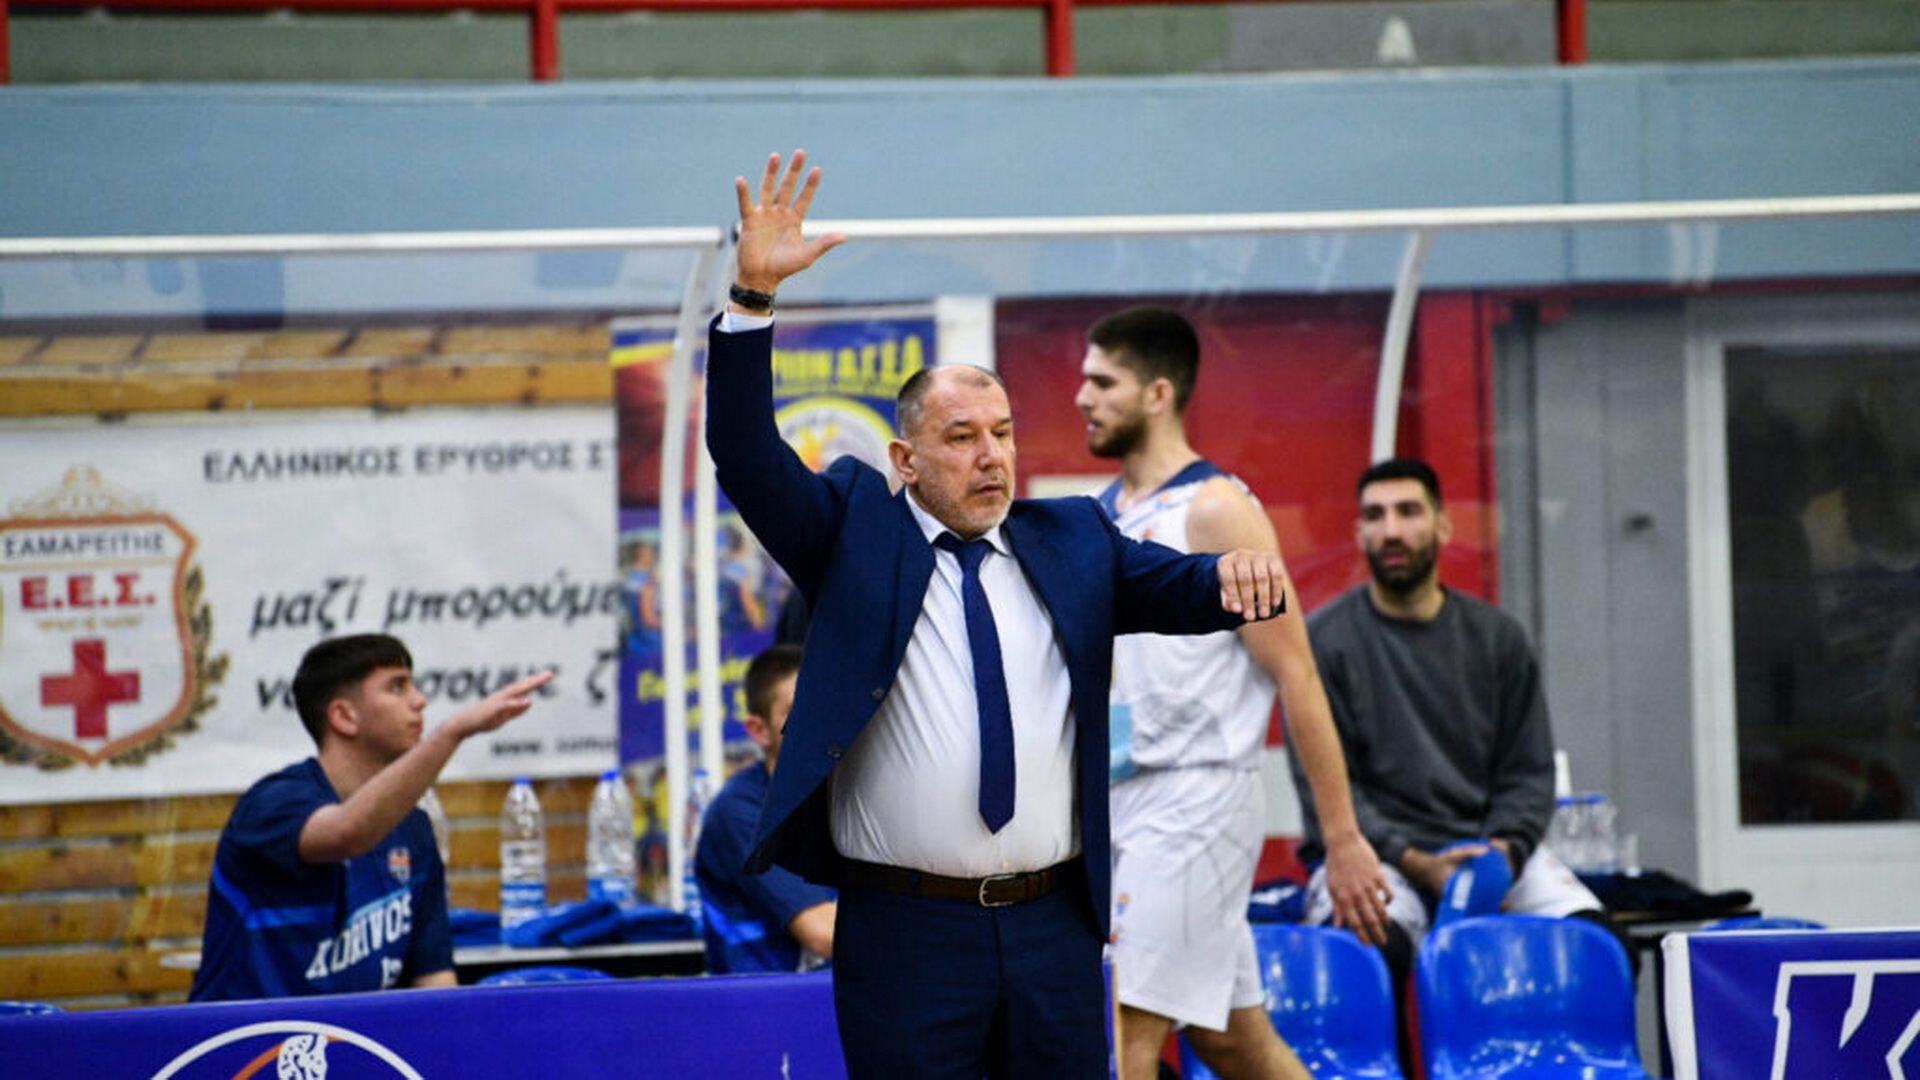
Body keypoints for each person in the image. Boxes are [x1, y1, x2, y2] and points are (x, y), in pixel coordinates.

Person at [706, 150, 1292, 1079]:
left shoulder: (1073, 539)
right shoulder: (852, 531)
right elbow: (745, 455)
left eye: (1004, 433)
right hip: (906, 932)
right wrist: (751, 299)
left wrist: (1236, 571)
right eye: (961, 437)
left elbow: (1179, 586)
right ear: (905, 460)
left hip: (1054, 929)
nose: (992, 456)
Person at [1076, 306, 1390, 1080]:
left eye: (1103, 382)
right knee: (1232, 1041)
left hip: (1198, 799)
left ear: (1158, 393)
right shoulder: (1103, 516)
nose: (1082, 398)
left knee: (1122, 1032)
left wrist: (1342, 838)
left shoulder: (1216, 508)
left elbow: (1297, 673)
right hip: (1126, 801)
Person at [1296, 458, 1604, 985]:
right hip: (1376, 856)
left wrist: (1502, 855)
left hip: (1487, 849)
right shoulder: (1323, 642)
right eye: (1375, 516)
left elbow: (1529, 772)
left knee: (1599, 948)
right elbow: (1328, 786)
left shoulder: (1499, 638)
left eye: (1408, 511)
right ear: (1359, 532)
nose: (1391, 530)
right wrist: (1417, 861)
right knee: (1368, 961)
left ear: (1442, 525)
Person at [190, 634, 552, 1001]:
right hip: (245, 1035)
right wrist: (452, 733)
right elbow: (348, 833)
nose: (420, 700)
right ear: (344, 716)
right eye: (397, 687)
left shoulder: (415, 828)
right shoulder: (272, 803)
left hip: (352, 1036)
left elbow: (434, 980)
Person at [695, 644, 837, 973]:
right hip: (767, 1002)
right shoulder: (739, 811)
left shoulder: (848, 797)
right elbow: (823, 932)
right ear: (759, 731)